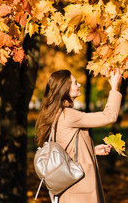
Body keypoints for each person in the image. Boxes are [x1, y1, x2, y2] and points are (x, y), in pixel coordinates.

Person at [35, 69, 122, 203]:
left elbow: (63, 150)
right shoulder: (68, 115)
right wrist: (114, 88)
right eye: (75, 83)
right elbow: (109, 116)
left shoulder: (54, 113)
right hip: (79, 187)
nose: (79, 85)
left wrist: (91, 151)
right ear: (65, 89)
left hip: (69, 187)